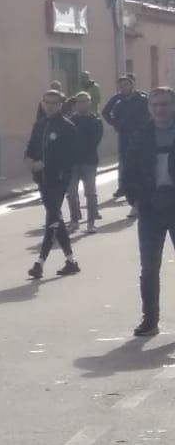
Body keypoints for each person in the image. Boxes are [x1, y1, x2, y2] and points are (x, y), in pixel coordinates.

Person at [124, 88, 175, 337]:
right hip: (150, 209)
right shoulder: (141, 136)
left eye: (164, 104)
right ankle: (150, 319)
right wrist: (135, 199)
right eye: (155, 105)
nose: (159, 109)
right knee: (149, 268)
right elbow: (129, 169)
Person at [24, 89, 81, 280]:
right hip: (42, 179)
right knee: (55, 219)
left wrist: (46, 163)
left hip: (58, 179)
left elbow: (70, 155)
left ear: (60, 105)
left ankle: (39, 263)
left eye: (54, 103)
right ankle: (71, 261)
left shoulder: (67, 126)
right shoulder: (39, 124)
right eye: (47, 102)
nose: (50, 106)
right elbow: (32, 146)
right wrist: (29, 160)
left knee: (52, 217)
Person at [104, 74, 151, 207]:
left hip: (140, 135)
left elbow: (150, 113)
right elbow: (105, 112)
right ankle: (123, 187)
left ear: (132, 85)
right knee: (124, 161)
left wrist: (145, 127)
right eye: (121, 85)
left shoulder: (142, 98)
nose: (123, 88)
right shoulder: (117, 99)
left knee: (141, 161)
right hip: (124, 135)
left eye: (126, 84)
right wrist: (116, 124)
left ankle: (142, 187)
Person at [66, 92, 104, 234]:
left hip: (89, 161)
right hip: (72, 161)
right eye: (79, 101)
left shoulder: (95, 121)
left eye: (84, 101)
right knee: (71, 192)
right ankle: (74, 220)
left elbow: (95, 140)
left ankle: (91, 223)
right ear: (76, 104)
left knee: (90, 193)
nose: (82, 104)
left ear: (89, 102)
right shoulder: (70, 121)